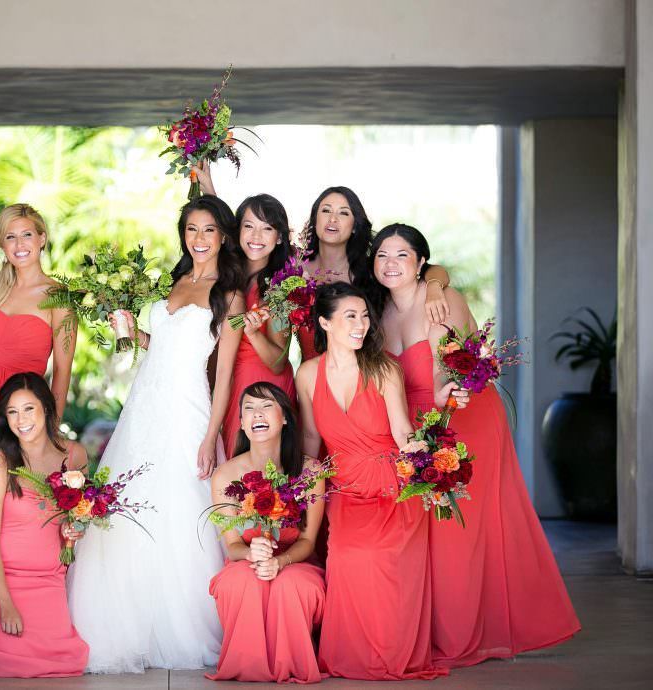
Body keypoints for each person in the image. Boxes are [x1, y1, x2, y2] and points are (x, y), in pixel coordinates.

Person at [370, 223, 580, 667]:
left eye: (402, 255)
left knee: (459, 531)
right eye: (382, 255)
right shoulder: (377, 312)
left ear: (422, 263)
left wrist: (442, 414)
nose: (391, 264)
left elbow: (452, 371)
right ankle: (434, 627)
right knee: (428, 532)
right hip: (417, 425)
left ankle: (463, 635)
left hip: (464, 417)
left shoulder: (441, 300)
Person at [67, 195, 247, 673]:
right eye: (192, 229)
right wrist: (130, 329)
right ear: (183, 234)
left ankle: (181, 625)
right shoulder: (173, 282)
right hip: (144, 404)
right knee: (130, 508)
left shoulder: (229, 294)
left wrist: (210, 437)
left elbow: (223, 373)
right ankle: (126, 623)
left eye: (209, 230)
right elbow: (159, 346)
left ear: (223, 236)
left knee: (180, 508)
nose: (200, 239)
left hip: (189, 408)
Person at [295, 282, 446, 680]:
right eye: (350, 316)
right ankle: (352, 657)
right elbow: (311, 437)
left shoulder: (383, 368)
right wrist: (306, 473)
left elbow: (402, 432)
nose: (361, 324)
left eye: (364, 316)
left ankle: (390, 657)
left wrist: (434, 472)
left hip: (392, 485)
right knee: (346, 560)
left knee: (383, 561)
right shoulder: (308, 374)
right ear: (325, 322)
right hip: (343, 486)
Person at [0, 372, 89, 678]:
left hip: (48, 579)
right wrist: (5, 604)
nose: (21, 420)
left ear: (46, 409)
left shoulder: (73, 455)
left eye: (28, 409)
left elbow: (79, 514)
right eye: (12, 412)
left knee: (65, 660)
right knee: (5, 658)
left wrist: (75, 531)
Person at [207, 382, 327, 684]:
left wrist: (281, 561)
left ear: (285, 417)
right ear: (243, 424)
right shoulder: (225, 475)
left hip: (296, 561)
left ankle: (291, 664)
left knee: (293, 585)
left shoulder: (310, 471)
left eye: (266, 406)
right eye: (248, 408)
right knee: (240, 580)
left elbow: (308, 540)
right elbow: (232, 545)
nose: (256, 414)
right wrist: (249, 553)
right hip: (247, 561)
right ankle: (248, 667)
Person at [0, 204, 76, 442]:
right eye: (10, 237)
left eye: (26, 235)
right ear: (2, 244)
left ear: (42, 238)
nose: (19, 245)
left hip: (21, 415)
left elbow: (62, 370)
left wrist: (52, 431)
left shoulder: (59, 298)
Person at [296, 186, 451, 360]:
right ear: (315, 219)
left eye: (344, 213)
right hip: (308, 379)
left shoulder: (372, 270)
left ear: (355, 226)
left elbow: (432, 269)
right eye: (326, 211)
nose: (333, 218)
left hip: (362, 376)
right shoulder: (294, 269)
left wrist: (435, 288)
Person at [221, 195, 298, 457]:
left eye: (267, 228)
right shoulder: (226, 273)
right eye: (249, 226)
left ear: (279, 237)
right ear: (237, 230)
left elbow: (278, 361)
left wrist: (253, 333)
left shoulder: (278, 289)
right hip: (225, 376)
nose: (256, 235)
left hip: (260, 383)